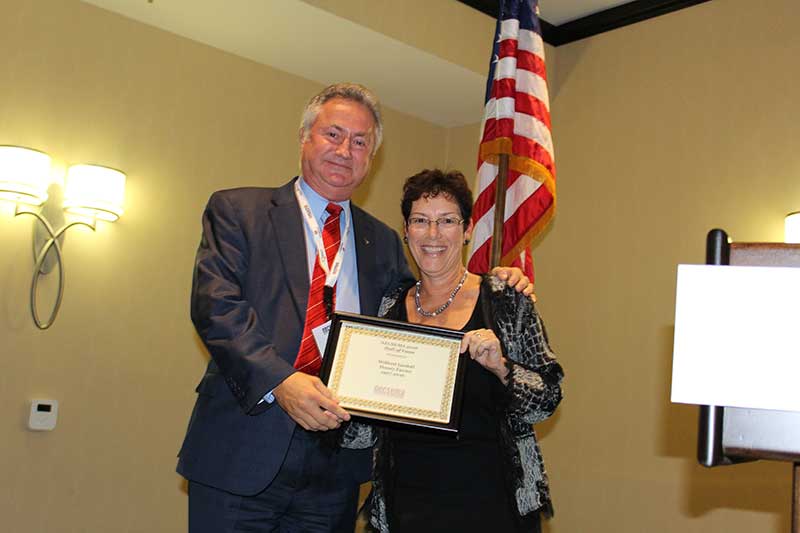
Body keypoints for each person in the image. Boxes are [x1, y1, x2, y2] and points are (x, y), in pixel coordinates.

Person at [176, 84, 534, 532]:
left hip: (336, 467)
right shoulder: (238, 210)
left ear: (371, 158)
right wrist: (282, 382)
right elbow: (216, 308)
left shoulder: (382, 242)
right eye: (334, 134)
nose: (346, 150)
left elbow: (421, 313)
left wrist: (495, 280)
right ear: (305, 137)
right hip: (242, 454)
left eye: (360, 142)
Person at [342, 169, 564, 533]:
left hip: (491, 506)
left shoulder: (505, 298)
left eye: (446, 221)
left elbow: (548, 398)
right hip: (404, 506)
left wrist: (501, 368)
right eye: (420, 221)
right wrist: (343, 394)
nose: (432, 234)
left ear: (466, 231)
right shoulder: (389, 306)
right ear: (406, 230)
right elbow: (364, 432)